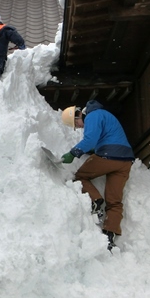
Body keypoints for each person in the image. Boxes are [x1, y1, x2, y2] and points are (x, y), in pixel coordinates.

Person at [61, 101, 134, 250]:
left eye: (77, 125)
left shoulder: (92, 116)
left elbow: (90, 140)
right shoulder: (103, 115)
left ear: (77, 116)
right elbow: (98, 141)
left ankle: (96, 200)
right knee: (114, 201)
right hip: (125, 161)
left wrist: (73, 153)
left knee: (80, 177)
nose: (80, 127)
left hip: (109, 155)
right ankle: (110, 235)